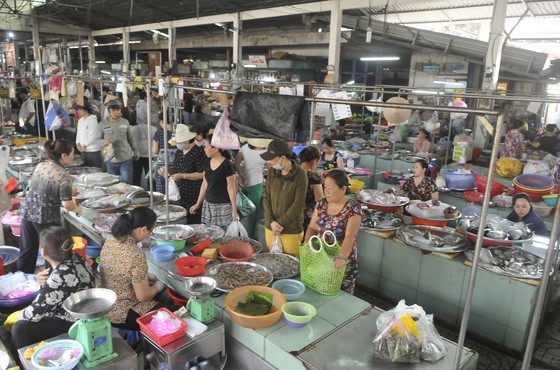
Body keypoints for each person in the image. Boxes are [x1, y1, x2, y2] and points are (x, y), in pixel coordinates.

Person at [10, 227, 95, 349]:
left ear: (43, 252)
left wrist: (15, 316)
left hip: (74, 323)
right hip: (83, 309)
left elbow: (33, 314)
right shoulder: (75, 256)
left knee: (19, 329)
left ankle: (26, 363)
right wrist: (44, 283)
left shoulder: (58, 278)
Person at [100, 208, 176, 331]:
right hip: (123, 313)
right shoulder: (136, 255)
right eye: (151, 231)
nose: (150, 235)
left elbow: (123, 270)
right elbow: (143, 296)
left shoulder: (110, 241)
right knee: (177, 314)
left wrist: (146, 276)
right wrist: (159, 285)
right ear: (143, 229)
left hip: (106, 304)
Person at [17, 139, 82, 273]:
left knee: (27, 251)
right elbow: (67, 204)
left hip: (28, 212)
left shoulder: (41, 165)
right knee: (52, 253)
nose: (73, 157)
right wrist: (77, 208)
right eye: (72, 154)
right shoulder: (63, 176)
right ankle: (51, 285)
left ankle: (22, 281)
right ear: (63, 156)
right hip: (46, 218)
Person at [304, 169, 362, 294]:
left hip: (342, 261)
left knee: (341, 296)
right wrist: (307, 246)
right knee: (321, 290)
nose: (326, 191)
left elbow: (350, 236)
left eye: (330, 187)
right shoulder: (321, 204)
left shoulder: (353, 208)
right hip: (321, 258)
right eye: (325, 187)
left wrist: (341, 257)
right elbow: (312, 228)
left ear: (343, 189)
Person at [261, 140, 308, 257]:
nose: (270, 162)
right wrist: (271, 221)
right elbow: (266, 197)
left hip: (290, 229)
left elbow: (298, 204)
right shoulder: (272, 171)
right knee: (273, 261)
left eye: (272, 159)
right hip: (271, 227)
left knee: (291, 264)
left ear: (282, 157)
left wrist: (279, 223)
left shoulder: (300, 174)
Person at [189, 134, 238, 228]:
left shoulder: (227, 165)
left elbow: (231, 188)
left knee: (223, 236)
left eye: (206, 147)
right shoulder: (207, 162)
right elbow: (204, 184)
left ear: (215, 148)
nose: (204, 149)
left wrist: (234, 210)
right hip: (208, 204)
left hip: (223, 207)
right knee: (210, 234)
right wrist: (198, 203)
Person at [162, 124, 206, 224]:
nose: (178, 144)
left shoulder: (198, 152)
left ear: (188, 139)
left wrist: (183, 176)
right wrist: (167, 170)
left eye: (180, 141)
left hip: (195, 194)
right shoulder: (180, 151)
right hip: (181, 193)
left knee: (194, 221)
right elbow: (178, 168)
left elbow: (203, 174)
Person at [234, 138, 270, 238]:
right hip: (256, 184)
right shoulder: (266, 152)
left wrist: (242, 177)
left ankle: (239, 234)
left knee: (241, 210)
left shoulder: (244, 148)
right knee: (252, 213)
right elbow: (270, 170)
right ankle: (250, 237)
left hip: (242, 184)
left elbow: (237, 163)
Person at [100, 99, 135, 184]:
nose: (116, 112)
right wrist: (105, 141)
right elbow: (97, 140)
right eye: (113, 110)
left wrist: (135, 151)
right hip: (111, 159)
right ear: (109, 111)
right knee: (112, 184)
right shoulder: (102, 124)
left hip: (125, 157)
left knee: (126, 182)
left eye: (118, 110)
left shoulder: (125, 122)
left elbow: (130, 138)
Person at [131, 91, 157, 188]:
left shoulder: (135, 128)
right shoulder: (153, 129)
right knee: (151, 177)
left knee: (136, 177)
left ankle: (136, 191)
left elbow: (132, 141)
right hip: (150, 156)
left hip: (138, 155)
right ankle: (153, 194)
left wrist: (135, 151)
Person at [299, 146, 324, 231]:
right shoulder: (313, 176)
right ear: (315, 161)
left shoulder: (293, 171)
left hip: (291, 213)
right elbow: (320, 200)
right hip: (307, 216)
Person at [152, 113, 177, 194]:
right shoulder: (177, 132)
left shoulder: (158, 133)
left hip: (162, 167)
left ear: (162, 121)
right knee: (174, 190)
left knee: (162, 192)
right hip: (175, 166)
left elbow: (155, 150)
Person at [75, 102, 104, 169]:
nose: (78, 111)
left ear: (85, 109)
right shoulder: (80, 120)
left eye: (79, 109)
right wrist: (78, 144)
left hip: (93, 151)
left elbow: (93, 135)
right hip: (83, 151)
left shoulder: (93, 120)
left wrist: (84, 145)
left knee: (95, 171)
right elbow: (78, 133)